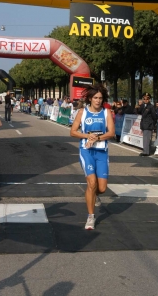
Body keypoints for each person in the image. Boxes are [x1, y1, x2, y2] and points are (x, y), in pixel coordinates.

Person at [71, 84, 115, 230]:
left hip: (102, 152)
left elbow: (111, 133)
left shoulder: (106, 112)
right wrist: (87, 136)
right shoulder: (82, 112)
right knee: (91, 183)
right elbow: (73, 132)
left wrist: (98, 138)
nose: (98, 101)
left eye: (100, 98)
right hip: (86, 151)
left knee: (101, 188)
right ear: (90, 98)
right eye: (95, 98)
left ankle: (94, 195)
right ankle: (91, 216)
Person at [136, 92, 157, 156]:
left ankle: (146, 152)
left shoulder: (151, 106)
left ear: (149, 99)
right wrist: (138, 106)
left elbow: (154, 116)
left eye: (147, 99)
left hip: (148, 124)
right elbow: (139, 112)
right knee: (146, 138)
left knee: (146, 139)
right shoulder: (143, 105)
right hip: (144, 124)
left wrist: (153, 124)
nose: (145, 100)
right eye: (144, 99)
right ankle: (147, 151)